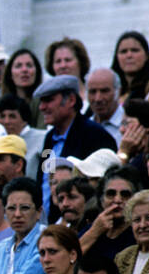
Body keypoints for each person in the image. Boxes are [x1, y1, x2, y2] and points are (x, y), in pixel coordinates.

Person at [36, 75, 116, 218]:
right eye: (41, 101)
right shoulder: (49, 137)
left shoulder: (94, 134)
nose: (42, 107)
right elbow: (43, 179)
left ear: (71, 100)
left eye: (48, 100)